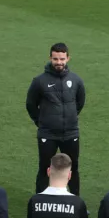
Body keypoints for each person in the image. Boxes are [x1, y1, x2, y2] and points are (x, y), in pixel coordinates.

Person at [27, 43, 87, 195]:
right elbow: (30, 105)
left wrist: (70, 117)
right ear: (50, 58)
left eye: (62, 59)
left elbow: (80, 103)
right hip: (48, 134)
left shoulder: (76, 80)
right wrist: (40, 122)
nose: (59, 62)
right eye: (55, 59)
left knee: (73, 168)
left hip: (71, 133)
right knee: (44, 168)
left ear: (68, 58)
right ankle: (39, 200)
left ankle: (75, 201)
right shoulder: (39, 81)